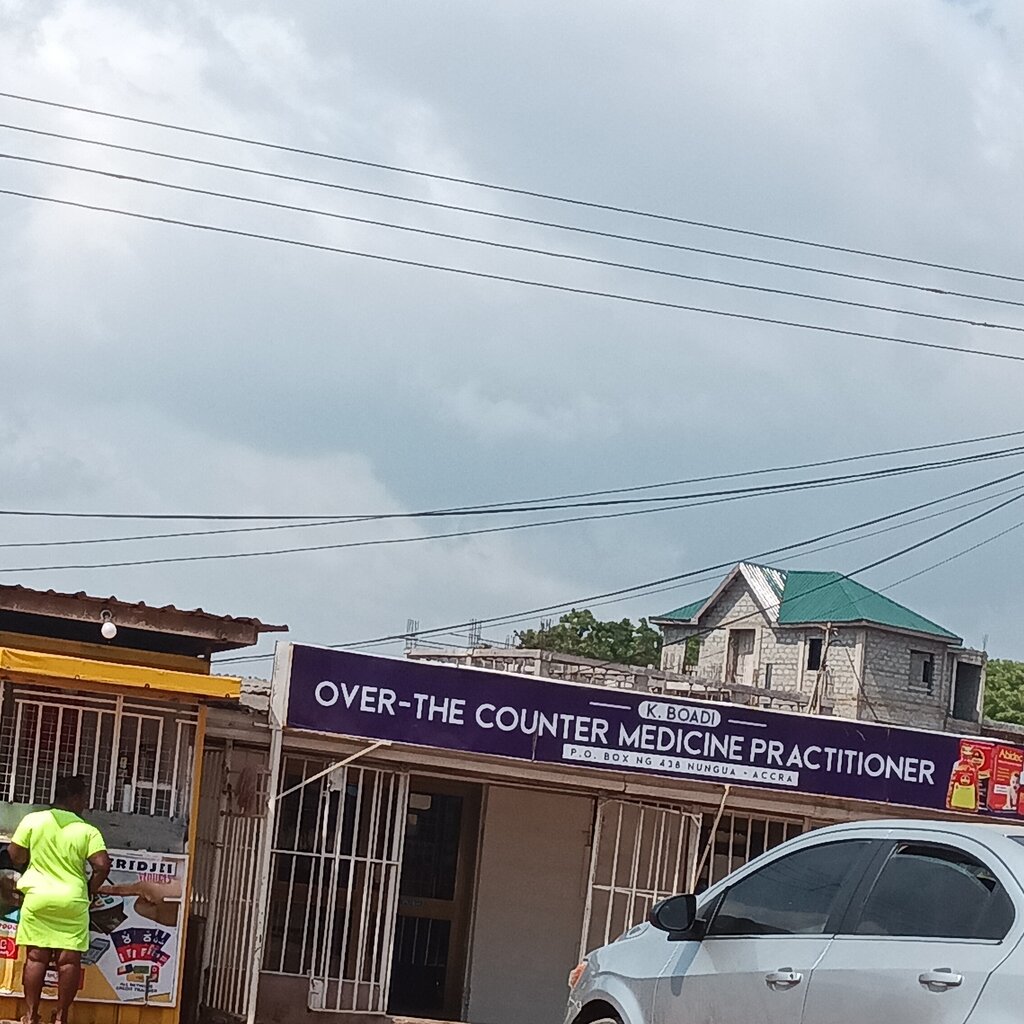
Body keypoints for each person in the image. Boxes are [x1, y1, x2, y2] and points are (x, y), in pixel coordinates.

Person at [7, 776, 111, 1024]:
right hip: (72, 900)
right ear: (74, 799)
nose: (84, 805)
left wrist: (27, 861)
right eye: (83, 799)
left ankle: (31, 1015)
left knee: (36, 957)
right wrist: (89, 889)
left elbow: (15, 854)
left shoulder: (33, 820)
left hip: (38, 897)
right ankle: (61, 1017)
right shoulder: (87, 830)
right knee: (69, 961)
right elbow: (102, 865)